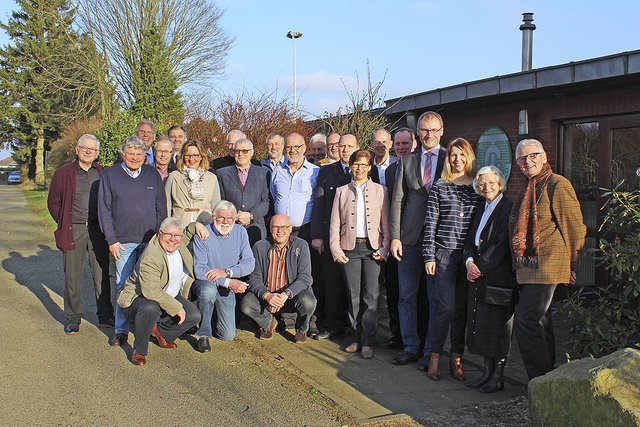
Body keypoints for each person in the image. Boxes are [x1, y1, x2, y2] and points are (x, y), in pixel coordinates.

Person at [510, 138, 586, 380]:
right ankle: (547, 379)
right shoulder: (528, 187)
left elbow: (575, 228)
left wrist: (572, 264)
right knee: (541, 321)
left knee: (525, 319)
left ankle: (537, 378)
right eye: (522, 158)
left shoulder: (557, 184)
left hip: (549, 265)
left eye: (533, 155)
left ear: (544, 157)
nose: (528, 161)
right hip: (529, 266)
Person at [422, 137, 483, 381]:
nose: (457, 159)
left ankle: (456, 357)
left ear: (469, 158)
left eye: (461, 155)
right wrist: (429, 255)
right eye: (453, 155)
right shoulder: (440, 185)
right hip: (444, 254)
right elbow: (430, 223)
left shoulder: (478, 188)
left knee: (461, 310)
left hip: (467, 256)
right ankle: (435, 355)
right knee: (445, 308)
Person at [389, 111, 447, 365]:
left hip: (439, 240)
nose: (429, 135)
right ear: (418, 133)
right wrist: (395, 237)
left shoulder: (450, 159)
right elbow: (398, 199)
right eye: (425, 130)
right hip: (410, 238)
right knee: (406, 295)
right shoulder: (408, 161)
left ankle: (431, 352)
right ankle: (410, 345)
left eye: (434, 130)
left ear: (442, 131)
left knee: (435, 298)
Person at [98, 135, 167, 347]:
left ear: (145, 156)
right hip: (123, 243)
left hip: (150, 242)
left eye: (139, 154)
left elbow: (161, 208)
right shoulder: (110, 174)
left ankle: (150, 327)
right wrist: (111, 240)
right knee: (123, 286)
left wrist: (160, 239)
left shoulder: (151, 174)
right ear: (123, 154)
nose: (135, 157)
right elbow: (104, 209)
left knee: (152, 285)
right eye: (130, 153)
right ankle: (121, 331)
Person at [310, 134, 379, 340]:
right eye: (342, 146)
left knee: (363, 292)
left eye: (350, 146)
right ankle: (333, 326)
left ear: (357, 147)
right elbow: (320, 205)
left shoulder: (371, 180)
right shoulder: (326, 172)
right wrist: (318, 236)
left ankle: (360, 334)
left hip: (364, 242)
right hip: (335, 239)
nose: (345, 149)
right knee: (333, 284)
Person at [47, 134, 114, 334]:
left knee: (101, 274)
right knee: (72, 276)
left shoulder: (103, 173)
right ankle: (73, 318)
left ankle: (105, 315)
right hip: (73, 228)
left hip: (97, 229)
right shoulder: (64, 173)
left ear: (97, 153)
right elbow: (53, 203)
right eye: (84, 148)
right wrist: (65, 222)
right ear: (76, 150)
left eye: (92, 149)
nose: (88, 151)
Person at [117, 217, 204, 365]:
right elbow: (151, 291)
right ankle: (139, 349)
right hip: (138, 296)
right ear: (159, 234)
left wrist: (197, 225)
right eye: (168, 235)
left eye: (176, 236)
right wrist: (177, 308)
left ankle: (158, 331)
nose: (172, 239)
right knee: (150, 308)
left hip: (168, 292)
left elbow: (187, 233)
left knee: (194, 315)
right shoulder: (151, 257)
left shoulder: (178, 242)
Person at [329, 150, 389, 359]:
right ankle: (355, 337)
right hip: (350, 248)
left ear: (370, 167)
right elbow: (335, 223)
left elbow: (386, 223)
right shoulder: (342, 191)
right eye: (356, 164)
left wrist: (385, 248)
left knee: (372, 296)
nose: (360, 168)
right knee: (353, 295)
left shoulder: (381, 190)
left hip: (373, 249)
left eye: (364, 164)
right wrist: (335, 249)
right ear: (351, 165)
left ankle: (369, 341)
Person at [463, 166, 515, 392]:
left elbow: (502, 244)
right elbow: (470, 241)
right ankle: (487, 372)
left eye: (492, 183)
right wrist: (469, 263)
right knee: (481, 325)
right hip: (478, 274)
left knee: (498, 328)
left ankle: (498, 376)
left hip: (498, 278)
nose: (487, 187)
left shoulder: (507, 207)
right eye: (482, 183)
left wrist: (479, 268)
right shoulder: (480, 207)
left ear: (500, 183)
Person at [241, 214, 316, 343]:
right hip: (267, 293)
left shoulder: (301, 245)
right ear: (270, 229)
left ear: (290, 229)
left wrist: (285, 295)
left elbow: (305, 278)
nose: (280, 231)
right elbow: (254, 279)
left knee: (308, 301)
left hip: (291, 295)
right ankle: (268, 323)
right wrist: (267, 295)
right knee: (247, 305)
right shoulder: (260, 246)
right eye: (275, 227)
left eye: (283, 227)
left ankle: (302, 329)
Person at [192, 201, 255, 353]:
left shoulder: (240, 232)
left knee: (228, 335)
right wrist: (227, 282)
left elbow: (249, 263)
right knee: (208, 292)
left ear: (235, 219)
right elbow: (200, 270)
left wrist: (227, 272)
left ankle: (207, 318)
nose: (226, 222)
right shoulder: (204, 234)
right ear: (214, 217)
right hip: (208, 283)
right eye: (221, 218)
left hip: (226, 283)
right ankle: (203, 335)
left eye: (230, 218)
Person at [382, 128, 418, 349]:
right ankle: (400, 337)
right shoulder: (391, 171)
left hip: (419, 237)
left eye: (406, 143)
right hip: (398, 236)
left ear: (414, 144)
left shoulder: (422, 165)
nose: (402, 147)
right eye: (398, 144)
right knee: (397, 291)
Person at [217, 137, 270, 246]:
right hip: (231, 227)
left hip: (256, 227)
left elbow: (266, 201)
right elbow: (221, 200)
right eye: (237, 151)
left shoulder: (264, 173)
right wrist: (234, 215)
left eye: (245, 151)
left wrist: (250, 215)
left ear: (252, 152)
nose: (241, 154)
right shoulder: (222, 173)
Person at [270, 133, 320, 241]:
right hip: (280, 233)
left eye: (297, 146)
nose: (293, 150)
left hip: (305, 231)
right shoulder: (277, 171)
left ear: (304, 148)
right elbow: (274, 195)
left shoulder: (315, 172)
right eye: (289, 147)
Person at [165, 140, 221, 228]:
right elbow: (167, 205)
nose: (191, 159)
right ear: (183, 157)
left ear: (201, 157)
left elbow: (216, 207)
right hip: (179, 227)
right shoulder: (173, 176)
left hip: (205, 227)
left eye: (195, 155)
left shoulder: (212, 178)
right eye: (187, 155)